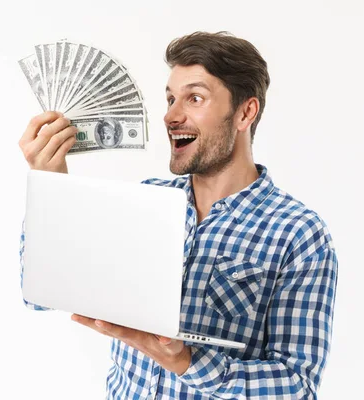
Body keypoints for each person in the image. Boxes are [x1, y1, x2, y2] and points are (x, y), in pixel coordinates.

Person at [18, 31, 338, 399]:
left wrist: (186, 361)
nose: (171, 115)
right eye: (170, 99)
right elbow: (41, 295)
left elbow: (297, 387)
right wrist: (50, 186)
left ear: (245, 112)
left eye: (195, 98)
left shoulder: (299, 233)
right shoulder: (142, 201)